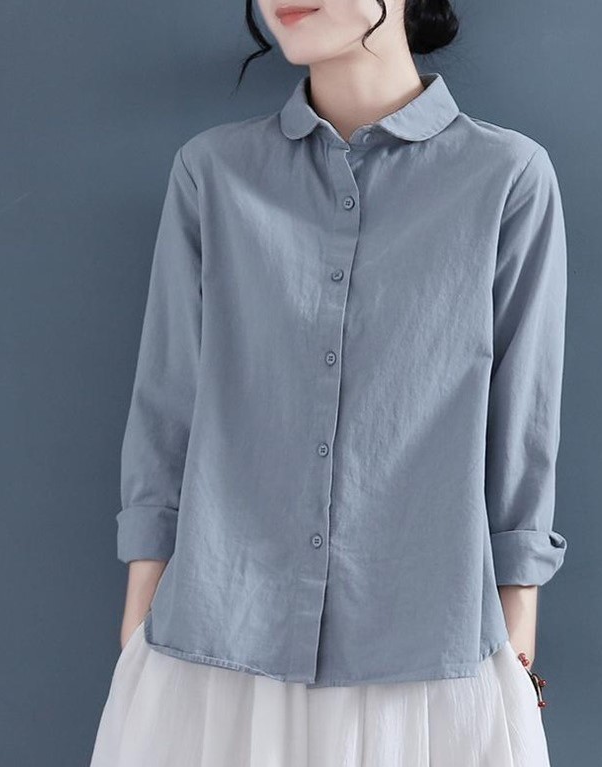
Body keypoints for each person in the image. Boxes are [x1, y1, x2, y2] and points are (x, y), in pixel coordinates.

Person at [89, 0, 569, 764]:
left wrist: (517, 619)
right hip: (217, 653)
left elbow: (524, 419)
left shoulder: (507, 178)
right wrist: (140, 613)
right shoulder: (211, 174)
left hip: (429, 657)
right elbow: (168, 399)